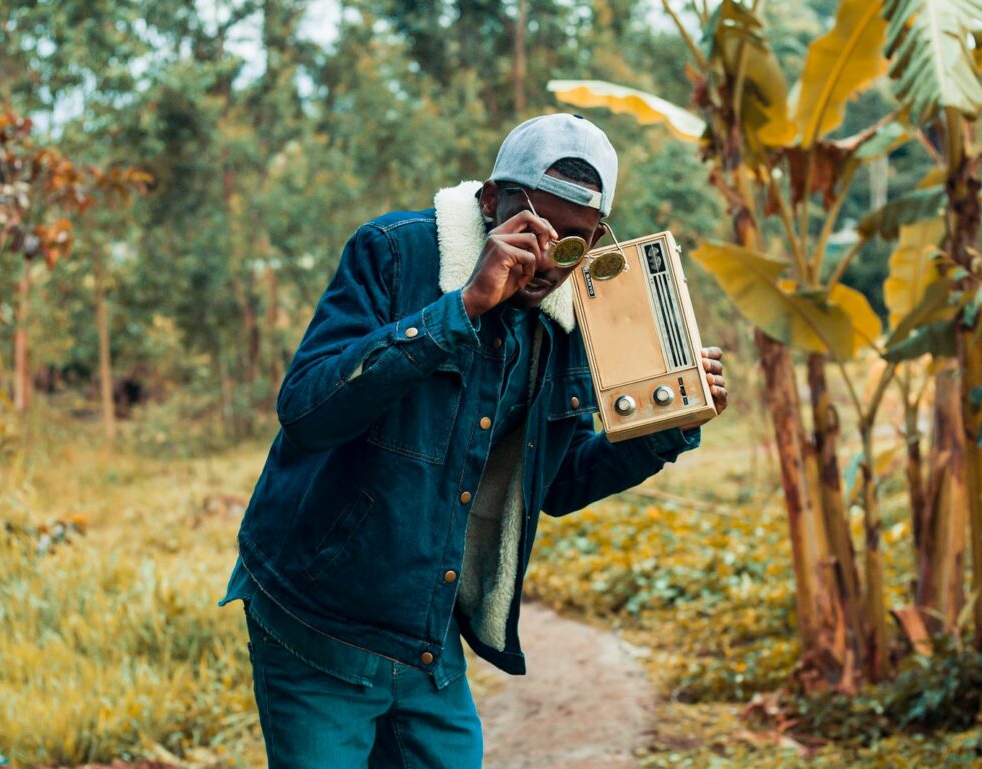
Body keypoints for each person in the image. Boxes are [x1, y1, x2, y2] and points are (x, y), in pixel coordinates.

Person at [220, 113, 728, 769]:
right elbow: (308, 410)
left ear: (598, 239)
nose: (546, 262)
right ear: (491, 202)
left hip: (426, 637)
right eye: (532, 232)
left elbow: (560, 481)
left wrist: (669, 429)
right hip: (318, 623)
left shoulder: (568, 319)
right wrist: (460, 308)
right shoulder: (394, 251)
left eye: (571, 244)